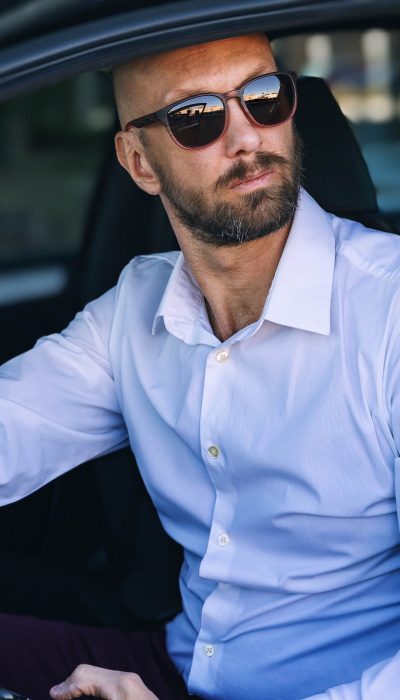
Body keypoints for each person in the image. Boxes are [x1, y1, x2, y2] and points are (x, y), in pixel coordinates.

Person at [1, 30, 400, 700]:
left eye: (265, 98)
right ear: (139, 162)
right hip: (173, 667)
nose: (247, 138)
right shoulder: (136, 305)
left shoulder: (387, 312)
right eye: (197, 118)